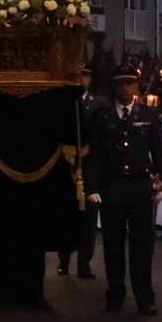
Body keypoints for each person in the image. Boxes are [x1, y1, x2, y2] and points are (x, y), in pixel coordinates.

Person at [83, 64, 162, 315]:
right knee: (113, 246)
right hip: (113, 186)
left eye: (129, 83)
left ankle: (145, 298)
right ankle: (115, 295)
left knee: (142, 248)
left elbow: (158, 154)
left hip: (140, 187)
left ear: (136, 86)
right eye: (120, 83)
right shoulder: (103, 116)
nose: (124, 88)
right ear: (113, 86)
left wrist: (160, 184)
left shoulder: (149, 115)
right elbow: (95, 154)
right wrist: (92, 186)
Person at [57, 66, 100, 279]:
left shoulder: (99, 104)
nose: (81, 78)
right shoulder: (62, 102)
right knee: (65, 216)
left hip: (90, 168)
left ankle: (84, 263)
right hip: (67, 167)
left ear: (89, 78)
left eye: (84, 74)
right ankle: (63, 260)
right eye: (77, 74)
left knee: (89, 221)